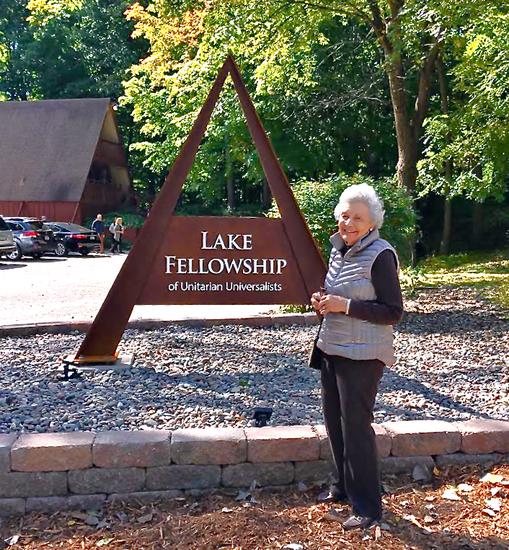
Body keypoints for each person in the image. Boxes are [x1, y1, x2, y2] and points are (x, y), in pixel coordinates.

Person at [310, 183, 403, 531]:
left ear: (372, 222)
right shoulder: (339, 250)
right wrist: (323, 302)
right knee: (335, 423)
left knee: (356, 428)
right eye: (345, 215)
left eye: (358, 218)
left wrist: (345, 305)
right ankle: (343, 488)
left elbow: (393, 312)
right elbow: (338, 296)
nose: (348, 223)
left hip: (363, 356)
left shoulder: (381, 255)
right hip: (331, 347)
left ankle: (368, 508)